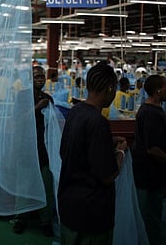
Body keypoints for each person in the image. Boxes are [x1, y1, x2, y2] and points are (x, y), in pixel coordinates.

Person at [58, 62, 127, 245]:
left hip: (69, 206)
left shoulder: (75, 112)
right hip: (91, 214)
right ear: (110, 88)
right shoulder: (99, 122)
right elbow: (107, 176)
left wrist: (104, 142)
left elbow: (66, 150)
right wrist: (120, 152)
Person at [12, 65, 55, 237]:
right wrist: (36, 108)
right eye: (37, 76)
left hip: (43, 150)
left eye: (42, 76)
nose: (40, 79)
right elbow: (18, 120)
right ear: (30, 79)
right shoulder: (22, 97)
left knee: (46, 185)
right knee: (23, 185)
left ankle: (45, 221)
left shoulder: (48, 99)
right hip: (26, 148)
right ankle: (20, 218)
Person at [132, 74, 166, 245]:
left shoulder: (151, 110)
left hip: (149, 174)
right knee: (152, 215)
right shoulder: (152, 114)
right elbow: (153, 148)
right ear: (158, 90)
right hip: (150, 175)